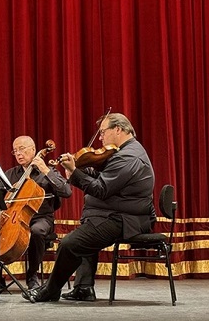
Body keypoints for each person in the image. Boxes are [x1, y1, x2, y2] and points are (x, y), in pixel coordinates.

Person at [23, 112, 156, 302]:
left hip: (126, 220)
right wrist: (75, 168)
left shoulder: (128, 157)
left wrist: (75, 172)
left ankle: (50, 290)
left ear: (118, 129)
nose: (100, 137)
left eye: (103, 132)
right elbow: (102, 174)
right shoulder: (123, 151)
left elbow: (101, 189)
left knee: (69, 244)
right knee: (88, 225)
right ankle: (83, 288)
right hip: (116, 215)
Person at [0, 135, 72, 290]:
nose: (18, 153)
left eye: (22, 149)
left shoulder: (47, 171)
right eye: (15, 151)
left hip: (40, 218)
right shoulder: (11, 174)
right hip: (12, 216)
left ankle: (32, 275)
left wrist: (45, 169)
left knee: (36, 231)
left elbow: (66, 191)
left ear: (33, 150)